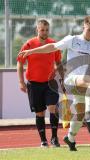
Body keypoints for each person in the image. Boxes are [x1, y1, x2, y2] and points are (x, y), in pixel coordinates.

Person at [18, 16, 90, 151]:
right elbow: (52, 47)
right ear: (84, 26)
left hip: (83, 84)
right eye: (89, 30)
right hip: (72, 79)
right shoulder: (73, 40)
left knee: (79, 112)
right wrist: (31, 51)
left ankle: (70, 138)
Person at [17, 19, 62, 148]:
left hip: (50, 83)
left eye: (47, 30)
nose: (45, 32)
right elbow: (20, 62)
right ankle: (43, 141)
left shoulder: (54, 44)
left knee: (53, 107)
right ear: (37, 29)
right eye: (42, 29)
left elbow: (58, 62)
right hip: (34, 84)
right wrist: (21, 81)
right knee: (40, 113)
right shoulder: (29, 44)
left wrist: (60, 74)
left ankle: (54, 138)